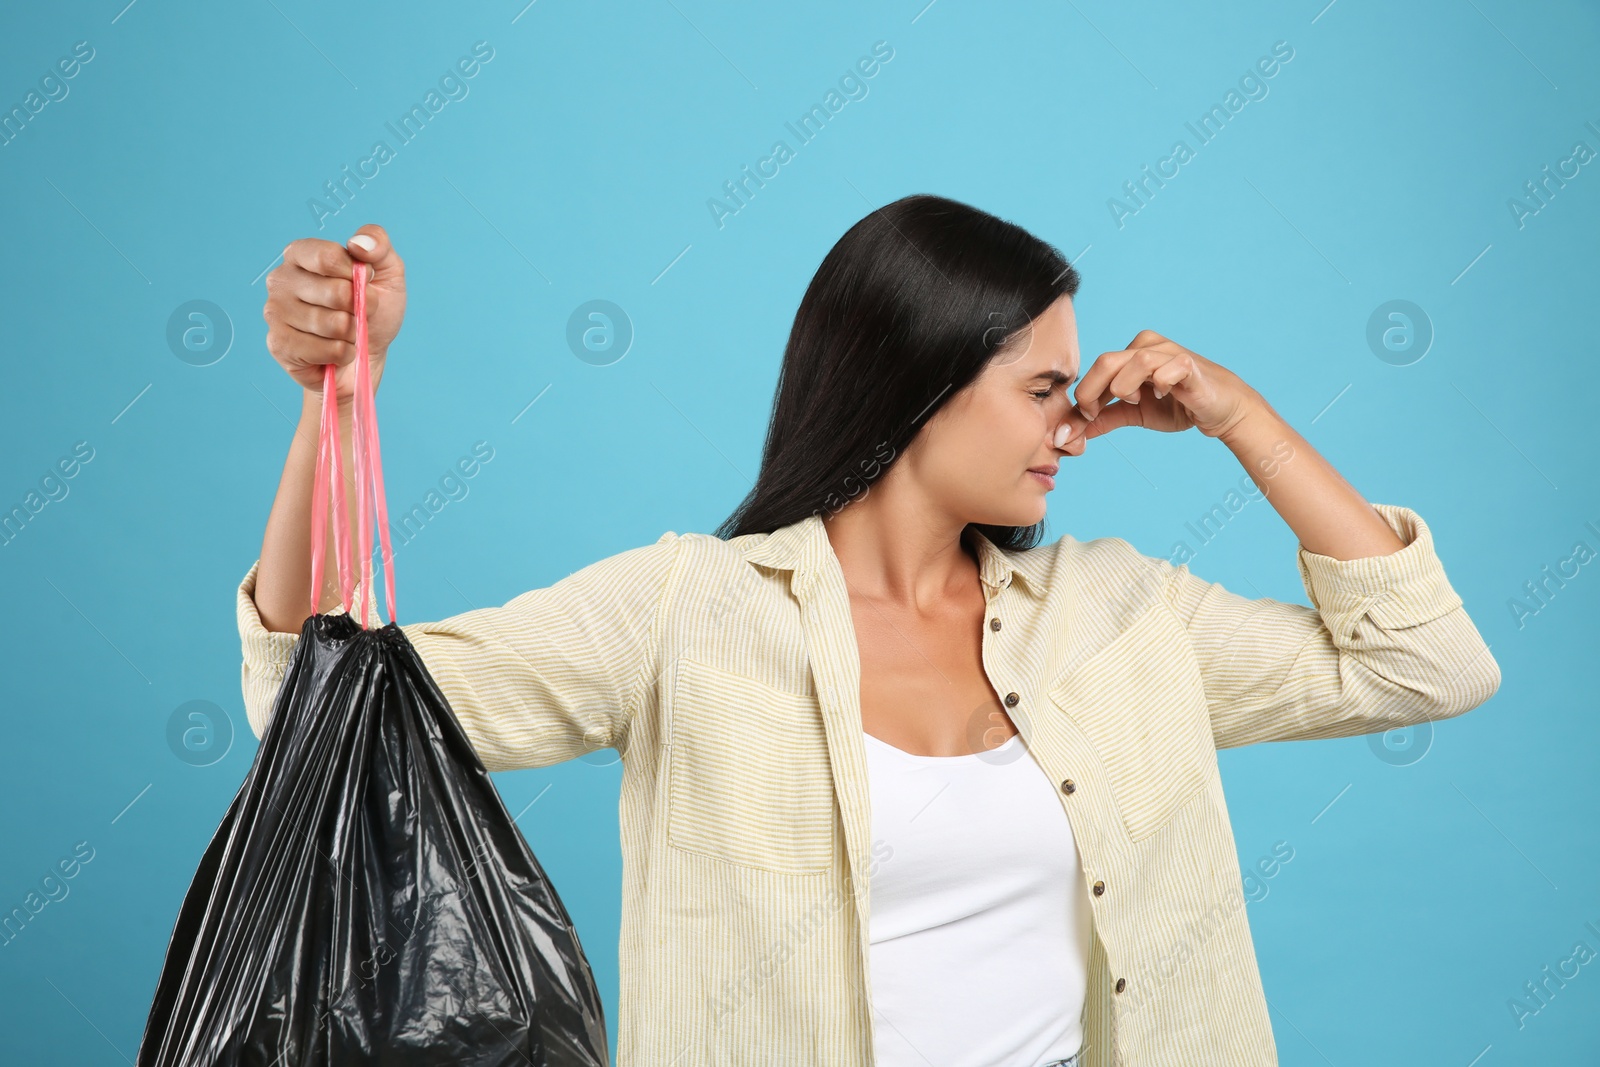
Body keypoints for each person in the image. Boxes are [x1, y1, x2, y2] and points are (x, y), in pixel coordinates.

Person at [239, 194, 1501, 1067]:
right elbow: (316, 702)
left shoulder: (1120, 616)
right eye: (1042, 388)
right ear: (919, 382)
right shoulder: (689, 612)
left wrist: (1242, 419)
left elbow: (1426, 661)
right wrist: (337, 405)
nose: (1076, 424)